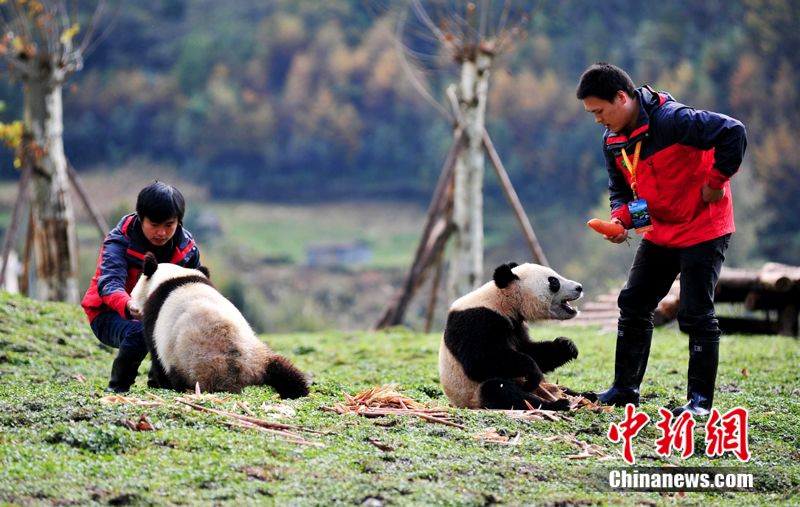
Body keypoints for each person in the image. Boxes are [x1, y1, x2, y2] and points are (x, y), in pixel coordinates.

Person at [576, 62, 747, 416]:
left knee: (696, 313)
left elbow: (733, 132)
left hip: (704, 226)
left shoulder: (674, 121)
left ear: (621, 98)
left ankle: (699, 404)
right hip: (662, 230)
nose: (597, 120)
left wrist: (715, 183)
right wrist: (623, 221)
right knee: (634, 301)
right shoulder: (613, 141)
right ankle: (625, 390)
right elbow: (623, 190)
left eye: (599, 111)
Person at [81, 182, 202, 392]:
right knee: (140, 331)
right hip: (108, 314)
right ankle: (118, 388)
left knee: (181, 332)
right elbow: (109, 283)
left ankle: (160, 386)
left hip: (158, 318)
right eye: (154, 225)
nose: (162, 232)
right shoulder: (118, 242)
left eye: (169, 225)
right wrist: (128, 305)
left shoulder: (188, 249)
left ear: (179, 222)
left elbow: (195, 288)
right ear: (140, 217)